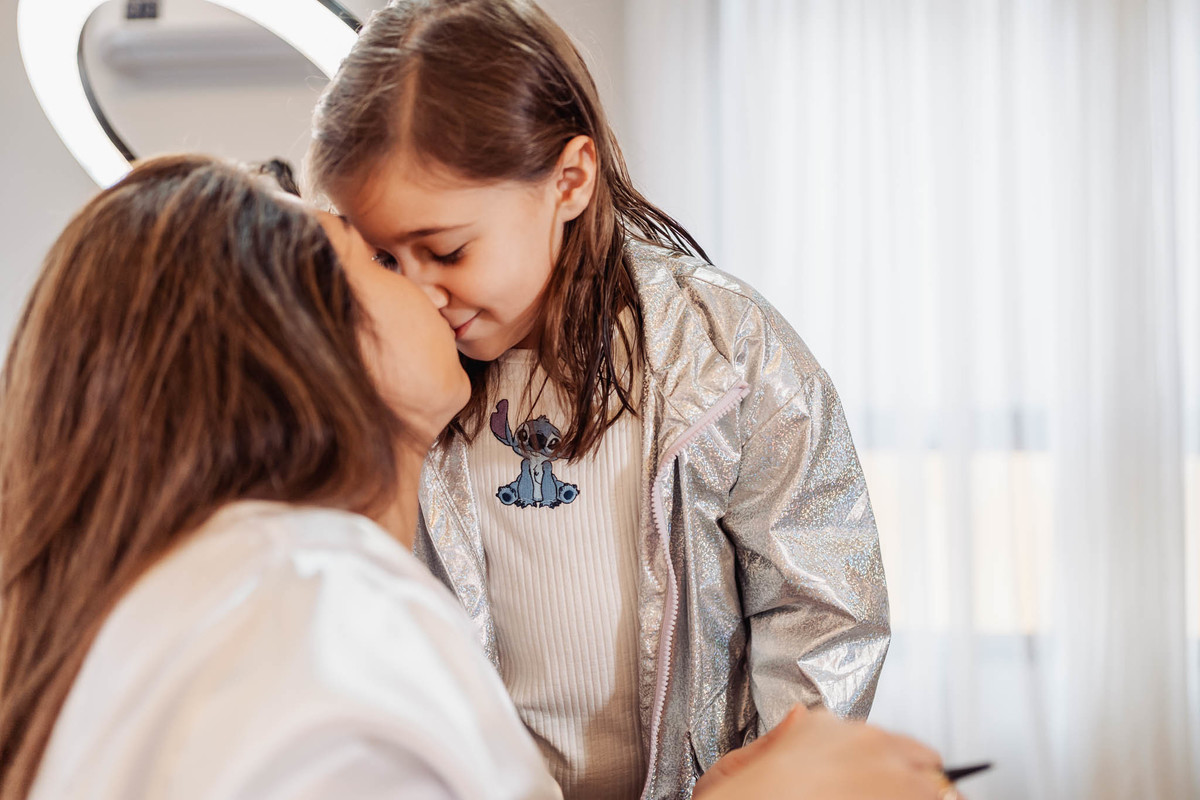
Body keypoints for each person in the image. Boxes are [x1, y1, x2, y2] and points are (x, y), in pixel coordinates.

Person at [0, 156, 950, 800]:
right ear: (299, 346)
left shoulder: (227, 607)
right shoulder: (312, 611)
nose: (429, 285)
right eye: (376, 257)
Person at [307, 2, 890, 797]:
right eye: (382, 255)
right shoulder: (390, 378)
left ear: (569, 181)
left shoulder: (729, 352)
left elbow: (823, 607)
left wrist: (779, 780)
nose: (417, 290)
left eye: (445, 250)